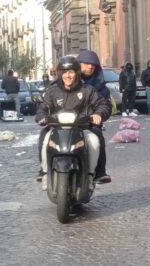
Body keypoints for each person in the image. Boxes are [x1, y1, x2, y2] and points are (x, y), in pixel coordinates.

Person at [35, 56, 110, 190]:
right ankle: (45, 172)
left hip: (83, 128)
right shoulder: (52, 91)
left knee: (95, 140)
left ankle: (93, 174)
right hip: (57, 128)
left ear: (77, 73)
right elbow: (43, 107)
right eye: (64, 72)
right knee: (45, 137)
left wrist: (98, 114)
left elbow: (102, 105)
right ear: (59, 74)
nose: (67, 76)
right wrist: (42, 117)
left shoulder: (88, 90)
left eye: (71, 72)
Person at [77, 50, 113, 184]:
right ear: (78, 64)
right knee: (47, 135)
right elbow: (52, 97)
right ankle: (45, 171)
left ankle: (100, 172)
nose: (90, 67)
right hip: (65, 123)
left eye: (93, 65)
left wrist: (98, 115)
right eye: (86, 63)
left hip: (89, 123)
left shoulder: (101, 87)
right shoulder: (66, 80)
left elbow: (106, 106)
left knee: (97, 138)